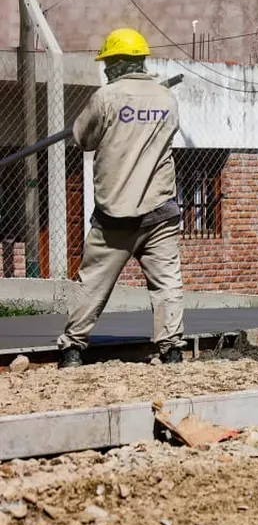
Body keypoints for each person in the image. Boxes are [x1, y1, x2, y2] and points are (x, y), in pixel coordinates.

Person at [57, 28, 186, 369]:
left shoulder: (106, 98)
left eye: (106, 63)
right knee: (167, 284)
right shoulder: (166, 99)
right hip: (160, 210)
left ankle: (72, 349)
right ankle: (172, 349)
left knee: (93, 283)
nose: (104, 69)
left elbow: (83, 139)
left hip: (115, 215)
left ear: (115, 63)